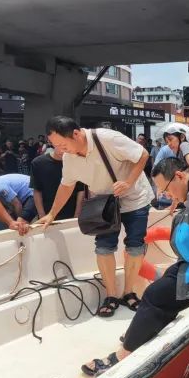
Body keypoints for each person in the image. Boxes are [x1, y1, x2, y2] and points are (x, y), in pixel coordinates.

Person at [81, 157, 189, 377]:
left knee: (154, 295)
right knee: (172, 275)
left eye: (166, 189)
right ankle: (142, 331)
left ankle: (122, 356)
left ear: (180, 176)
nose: (166, 195)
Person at [39, 117, 154, 318]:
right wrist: (51, 214)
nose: (59, 149)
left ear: (76, 133)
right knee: (104, 247)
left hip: (135, 198)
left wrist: (128, 182)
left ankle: (129, 292)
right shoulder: (68, 157)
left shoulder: (107, 138)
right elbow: (66, 186)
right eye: (55, 146)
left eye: (62, 144)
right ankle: (111, 295)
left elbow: (142, 155)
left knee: (135, 245)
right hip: (104, 203)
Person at [30, 148, 84, 222]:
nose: (62, 150)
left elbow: (81, 189)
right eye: (59, 145)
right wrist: (41, 214)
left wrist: (77, 214)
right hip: (47, 213)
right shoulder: (38, 163)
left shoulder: (76, 162)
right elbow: (37, 190)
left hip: (71, 213)